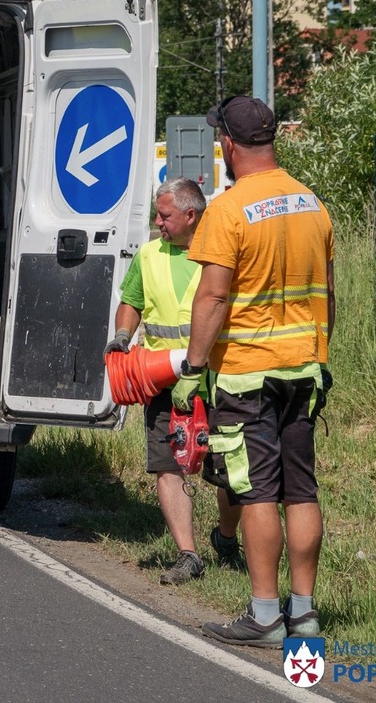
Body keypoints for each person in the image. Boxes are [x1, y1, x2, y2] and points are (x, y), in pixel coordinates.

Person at [173, 95, 334, 647]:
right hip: (305, 369)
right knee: (302, 489)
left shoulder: (228, 209)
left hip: (247, 373)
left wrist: (193, 368)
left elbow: (213, 298)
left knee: (259, 491)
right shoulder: (312, 202)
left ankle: (265, 615)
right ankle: (304, 613)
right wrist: (320, 356)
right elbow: (328, 295)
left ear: (228, 145)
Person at [106, 178, 243, 586]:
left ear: (191, 215)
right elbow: (131, 301)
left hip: (216, 380)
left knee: (230, 473)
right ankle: (189, 555)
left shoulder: (221, 254)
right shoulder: (149, 255)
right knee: (168, 466)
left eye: (164, 216)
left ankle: (227, 538)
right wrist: (121, 337)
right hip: (164, 381)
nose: (157, 223)